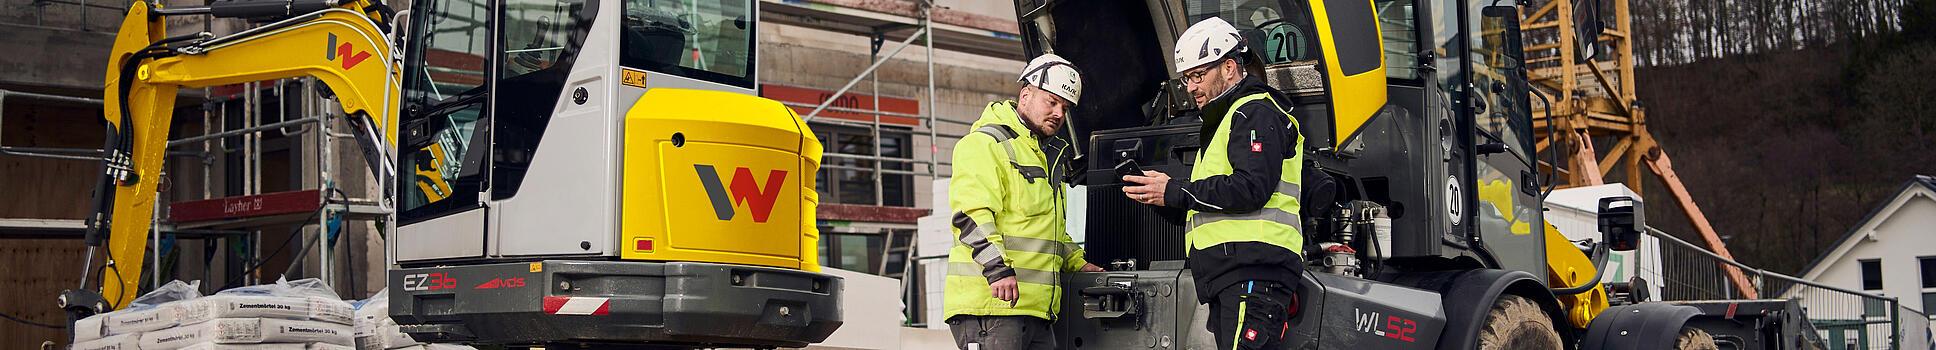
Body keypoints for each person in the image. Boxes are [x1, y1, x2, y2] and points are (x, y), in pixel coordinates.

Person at [1122, 17, 1306, 350]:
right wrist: (1161, 197)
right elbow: (1209, 206)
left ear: (1230, 68)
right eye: (1186, 79)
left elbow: (1251, 188)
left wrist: (1175, 191)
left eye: (1197, 75)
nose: (1190, 87)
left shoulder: (1255, 112)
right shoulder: (1228, 120)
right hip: (1232, 274)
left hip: (1254, 270)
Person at [944, 53, 1105, 350]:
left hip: (1036, 310)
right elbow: (970, 216)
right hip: (992, 308)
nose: (1058, 113)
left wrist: (1077, 263)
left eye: (1065, 107)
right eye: (1051, 102)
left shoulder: (1045, 156)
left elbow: (1044, 230)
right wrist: (997, 270)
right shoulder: (985, 144)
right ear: (1026, 94)